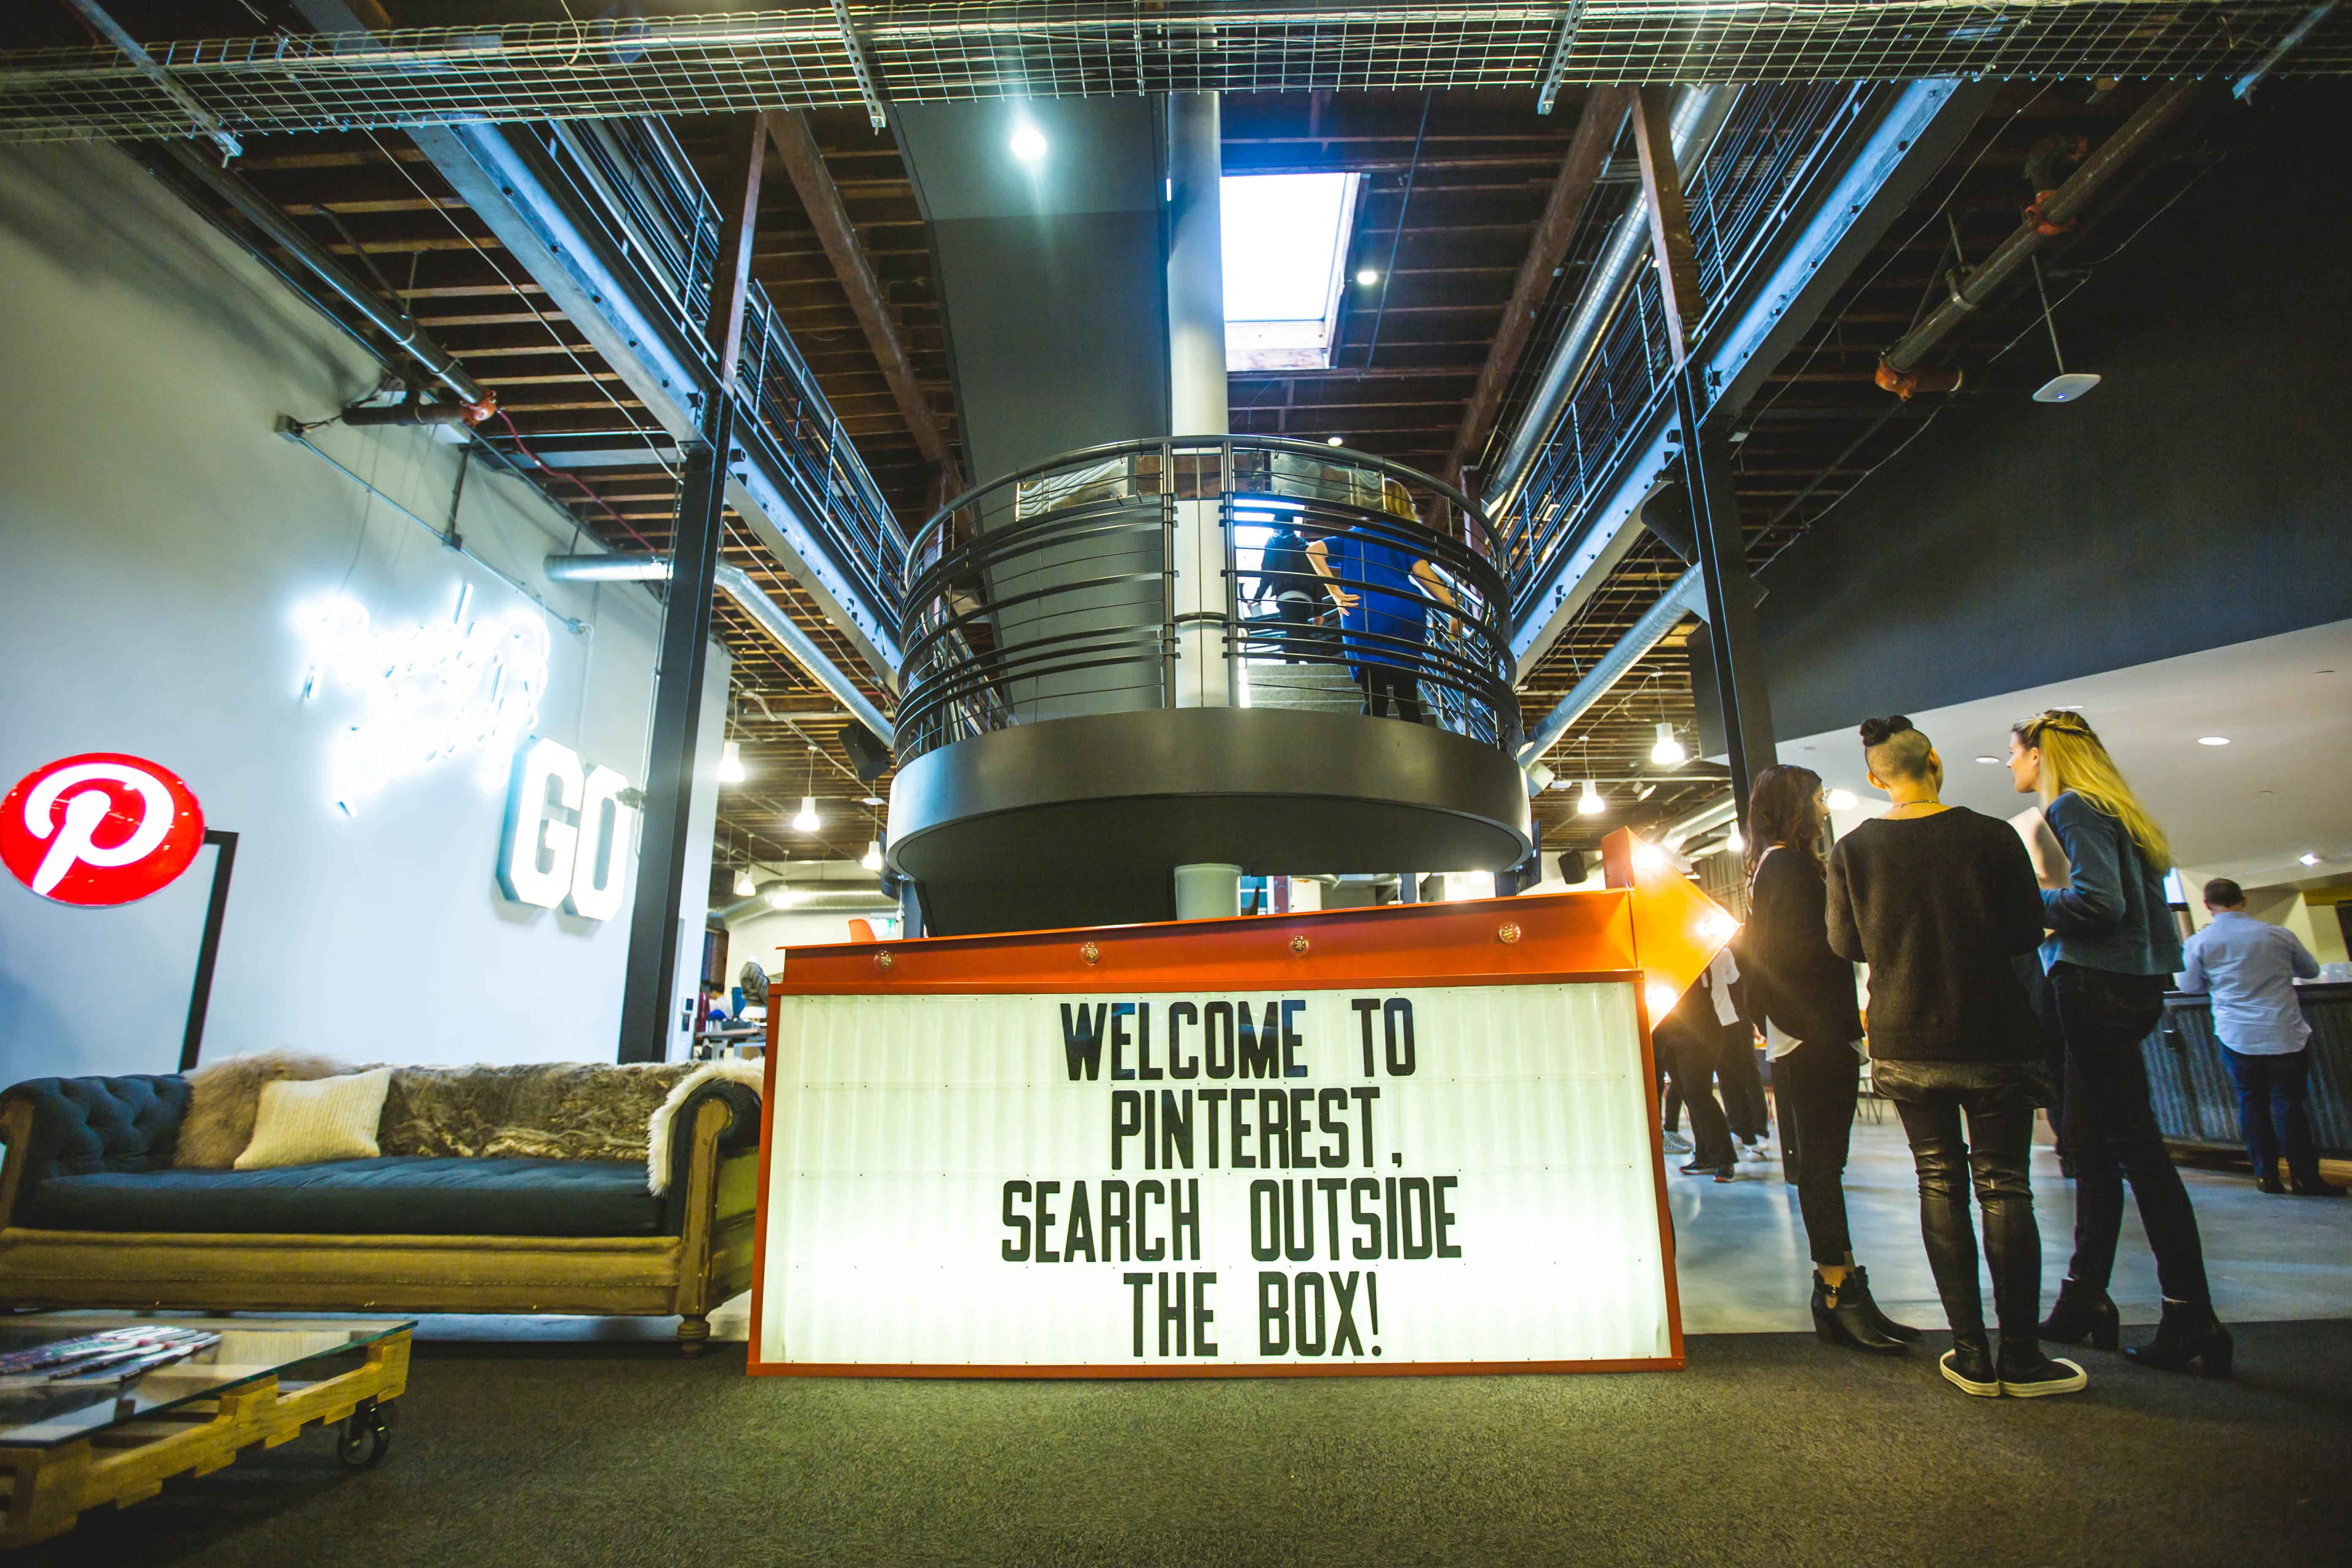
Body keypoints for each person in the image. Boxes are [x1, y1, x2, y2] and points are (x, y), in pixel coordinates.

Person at [1827, 716, 2084, 1397]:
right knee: (2005, 1183)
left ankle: (1970, 1354)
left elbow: (1844, 943)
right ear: (1934, 760)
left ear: (1875, 776)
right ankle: (2023, 1357)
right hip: (1993, 1031)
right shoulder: (1991, 834)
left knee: (1937, 1179)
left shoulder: (1854, 849)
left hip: (1906, 1033)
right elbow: (2027, 929)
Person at [2011, 709, 2230, 1377]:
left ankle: (2189, 1311)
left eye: (2016, 754)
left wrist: (2026, 905)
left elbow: (2096, 903)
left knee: (2134, 1150)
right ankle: (2082, 1297)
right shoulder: (2120, 811)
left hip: (2092, 987)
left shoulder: (2072, 807)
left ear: (2040, 755)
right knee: (2095, 1145)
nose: (2014, 766)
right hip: (2131, 987)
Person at [1740, 763, 1916, 1355]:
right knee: (1821, 1168)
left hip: (1808, 1036)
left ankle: (1842, 1290)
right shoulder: (1787, 867)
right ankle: (1837, 1293)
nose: (1822, 806)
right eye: (1816, 797)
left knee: (1823, 1168)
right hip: (1812, 1039)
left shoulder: (1775, 865)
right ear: (1794, 804)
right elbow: (1782, 957)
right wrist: (1813, 1030)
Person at [2179, 877, 2337, 1197]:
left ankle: (2266, 1177)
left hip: (2235, 1033)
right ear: (2243, 900)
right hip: (2283, 1031)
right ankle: (2305, 1178)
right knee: (2289, 1105)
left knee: (2251, 1102)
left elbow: (2188, 986)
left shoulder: (2200, 942)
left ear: (2207, 905)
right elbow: (2309, 971)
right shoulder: (2277, 934)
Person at [1307, 524, 1456, 722]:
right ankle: (1413, 751)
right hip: (1403, 613)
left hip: (1365, 614)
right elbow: (1421, 570)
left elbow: (1313, 550)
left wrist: (1336, 593)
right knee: (1407, 698)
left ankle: (1373, 750)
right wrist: (1451, 606)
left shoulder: (1352, 536)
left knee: (1375, 699)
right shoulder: (1400, 533)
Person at [1655, 950, 1740, 1181]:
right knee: (1689, 1094)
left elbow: (1731, 981)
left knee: (1697, 1093)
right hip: (1666, 1029)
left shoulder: (1700, 949)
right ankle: (1705, 1155)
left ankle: (1725, 1159)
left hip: (1699, 1029)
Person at [1248, 521, 1332, 662]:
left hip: (1286, 596)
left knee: (1297, 638)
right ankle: (1293, 664)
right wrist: (1318, 611)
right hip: (1306, 599)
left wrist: (1257, 598)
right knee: (1296, 635)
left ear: (1275, 526)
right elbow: (1316, 579)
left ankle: (1318, 663)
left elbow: (1268, 572)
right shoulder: (1305, 545)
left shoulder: (1274, 541)